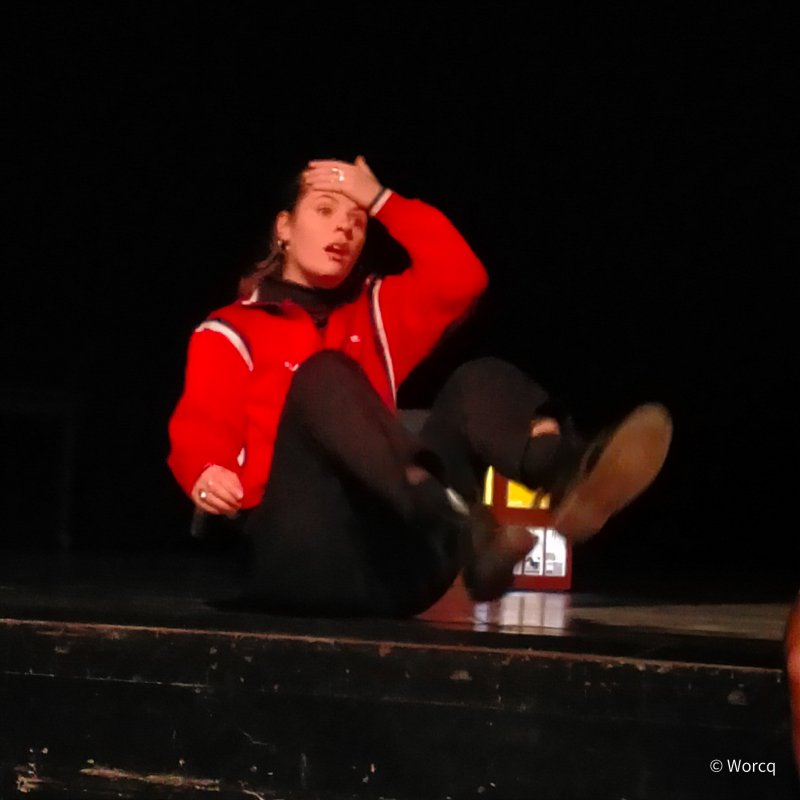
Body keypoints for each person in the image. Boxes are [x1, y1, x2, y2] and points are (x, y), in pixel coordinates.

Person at [167, 156, 672, 617]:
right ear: (283, 227)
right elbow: (201, 424)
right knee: (324, 375)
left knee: (478, 379)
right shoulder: (231, 330)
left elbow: (462, 278)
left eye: (358, 219)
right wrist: (206, 469)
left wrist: (383, 200)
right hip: (301, 557)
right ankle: (463, 527)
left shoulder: (373, 313)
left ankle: (566, 477)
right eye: (324, 211)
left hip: (397, 565)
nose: (344, 227)